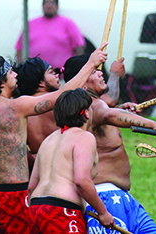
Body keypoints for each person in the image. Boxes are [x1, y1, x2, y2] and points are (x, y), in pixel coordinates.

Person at [0, 44, 106, 233]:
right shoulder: (16, 106)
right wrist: (91, 64)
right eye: (10, 73)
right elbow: (61, 96)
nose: (16, 75)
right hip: (13, 195)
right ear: (0, 83)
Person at [63, 54, 156, 233]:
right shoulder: (92, 107)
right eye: (95, 71)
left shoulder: (95, 107)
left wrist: (119, 109)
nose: (101, 74)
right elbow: (108, 110)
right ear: (83, 81)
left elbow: (109, 109)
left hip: (123, 199)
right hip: (106, 199)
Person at [28, 88, 115, 232]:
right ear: (86, 113)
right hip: (62, 210)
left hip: (36, 208)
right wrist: (103, 212)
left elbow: (32, 187)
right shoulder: (84, 137)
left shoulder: (48, 140)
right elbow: (82, 180)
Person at [13, 56, 126, 156]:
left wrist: (38, 165)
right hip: (67, 169)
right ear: (41, 83)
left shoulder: (24, 109)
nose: (57, 75)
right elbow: (107, 102)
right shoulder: (61, 102)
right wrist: (112, 73)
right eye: (51, 72)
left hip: (42, 171)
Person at [15, 0, 86, 70]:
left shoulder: (68, 24)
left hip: (60, 75)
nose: (49, 5)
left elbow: (79, 47)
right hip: (35, 75)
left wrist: (75, 68)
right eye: (46, 3)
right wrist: (22, 69)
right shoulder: (31, 24)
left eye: (52, 3)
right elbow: (19, 48)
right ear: (42, 6)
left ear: (57, 6)